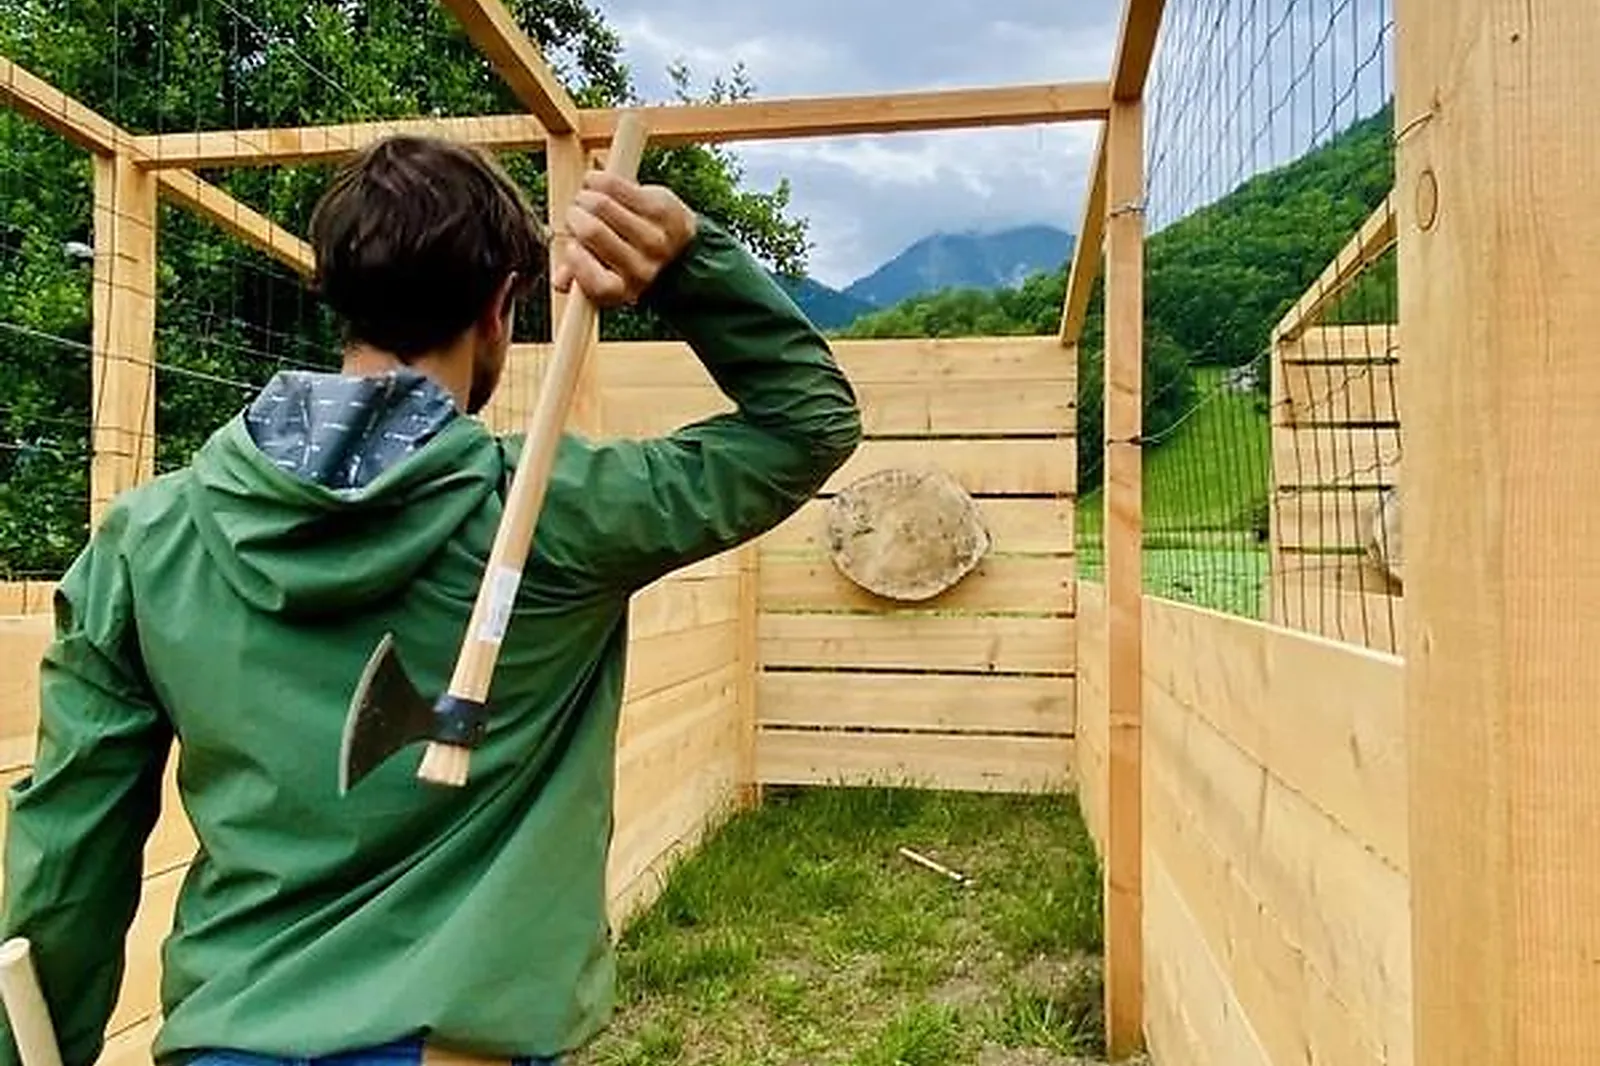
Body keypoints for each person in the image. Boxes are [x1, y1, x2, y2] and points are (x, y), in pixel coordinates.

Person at [0, 136, 861, 1066]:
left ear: (336, 298)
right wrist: (685, 258)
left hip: (229, 1044)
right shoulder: (557, 515)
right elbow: (807, 417)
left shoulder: (144, 542)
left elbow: (67, 856)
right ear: (499, 306)